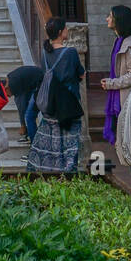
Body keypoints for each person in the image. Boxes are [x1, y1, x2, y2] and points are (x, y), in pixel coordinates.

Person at [26, 17, 85, 173]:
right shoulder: (71, 52)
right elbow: (81, 74)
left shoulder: (44, 52)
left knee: (53, 143)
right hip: (68, 105)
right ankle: (68, 173)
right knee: (69, 144)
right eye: (65, 28)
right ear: (60, 32)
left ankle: (50, 171)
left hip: (50, 104)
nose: (67, 31)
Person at [101, 5, 131, 188]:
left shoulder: (129, 45)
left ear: (118, 20)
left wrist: (113, 83)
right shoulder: (120, 41)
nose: (107, 19)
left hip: (128, 101)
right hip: (120, 99)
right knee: (127, 145)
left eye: (110, 16)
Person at [6, 63, 43, 142]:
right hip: (35, 83)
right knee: (27, 111)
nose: (8, 97)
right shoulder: (11, 78)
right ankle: (29, 134)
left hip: (42, 85)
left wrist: (22, 125)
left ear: (6, 88)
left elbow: (21, 108)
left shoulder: (13, 85)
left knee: (29, 116)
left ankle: (35, 145)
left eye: (7, 94)